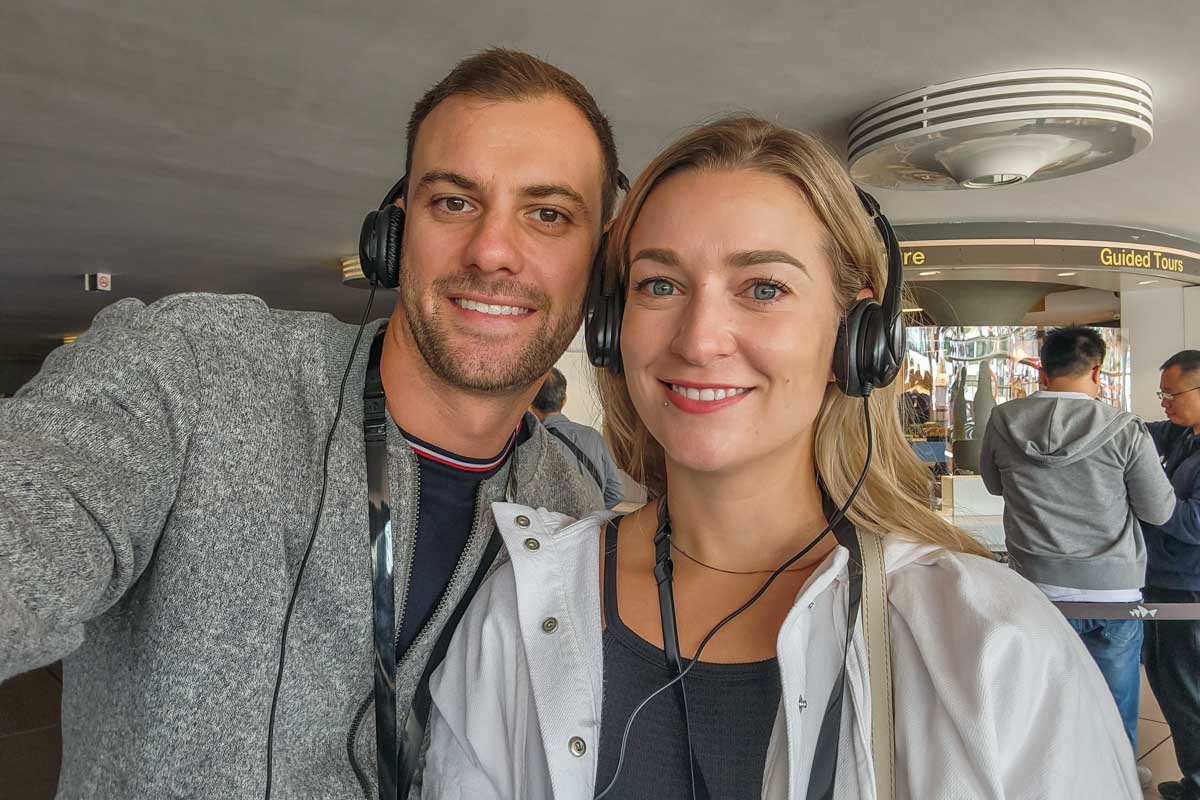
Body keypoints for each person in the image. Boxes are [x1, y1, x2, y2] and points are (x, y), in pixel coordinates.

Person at [419, 115, 1139, 798]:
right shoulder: (519, 608)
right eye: (659, 285)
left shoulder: (992, 644)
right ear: (613, 330)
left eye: (764, 288)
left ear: (854, 340)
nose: (700, 339)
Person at [0, 48, 620, 798]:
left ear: (599, 271)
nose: (492, 250)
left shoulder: (581, 511)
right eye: (453, 202)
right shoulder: (193, 370)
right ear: (392, 237)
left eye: (548, 215)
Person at [979, 326, 1176, 786]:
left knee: (1043, 700)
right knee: (1114, 699)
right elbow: (1159, 509)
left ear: (1043, 370)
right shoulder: (1124, 429)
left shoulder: (1004, 420)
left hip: (1036, 589)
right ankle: (1117, 779)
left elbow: (993, 483)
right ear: (1096, 369)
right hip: (1113, 592)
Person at [1144, 350, 1200, 800]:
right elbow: (1135, 434)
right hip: (1162, 583)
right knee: (1168, 684)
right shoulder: (1180, 435)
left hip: (1190, 589)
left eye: (1172, 394)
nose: (1164, 402)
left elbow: (1192, 524)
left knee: (1189, 691)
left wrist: (1149, 504)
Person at [531, 366, 625, 509]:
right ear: (564, 400)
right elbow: (616, 493)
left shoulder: (530, 443)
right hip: (593, 527)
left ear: (530, 404)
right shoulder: (593, 437)